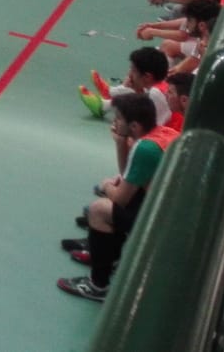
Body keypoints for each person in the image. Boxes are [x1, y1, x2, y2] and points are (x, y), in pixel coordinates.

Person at [58, 94, 173, 302]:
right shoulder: (163, 134)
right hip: (167, 210)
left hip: (162, 224)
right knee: (119, 192)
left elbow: (120, 198)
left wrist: (107, 186)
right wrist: (121, 143)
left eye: (119, 118)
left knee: (99, 209)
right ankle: (106, 256)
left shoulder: (144, 148)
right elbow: (128, 176)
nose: (114, 122)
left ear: (135, 126)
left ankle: (97, 285)